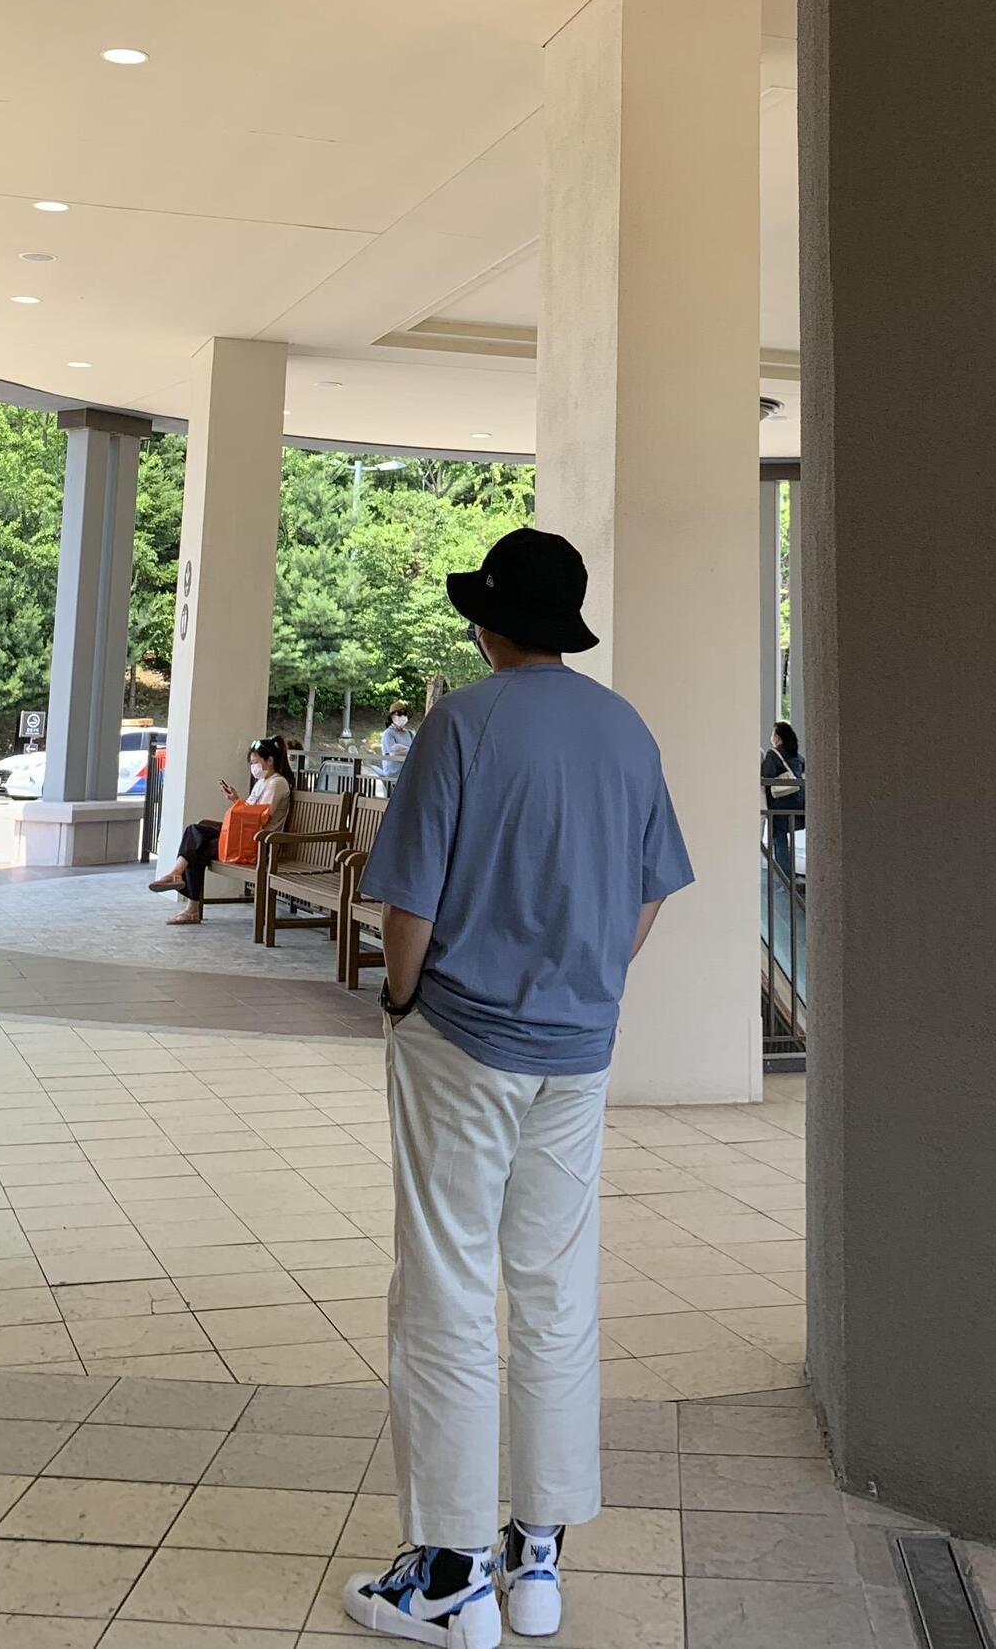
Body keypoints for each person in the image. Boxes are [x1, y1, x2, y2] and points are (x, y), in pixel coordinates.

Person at [341, 527, 693, 1649]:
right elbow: (650, 893)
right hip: (577, 1050)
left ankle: (448, 1571)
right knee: (554, 1288)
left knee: (446, 1286)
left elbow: (408, 903)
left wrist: (401, 999)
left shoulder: (463, 723)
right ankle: (535, 1557)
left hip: (460, 1039)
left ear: (491, 623)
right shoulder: (625, 730)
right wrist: (587, 984)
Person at [149, 737, 294, 925]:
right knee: (195, 830)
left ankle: (189, 903)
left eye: (255, 762)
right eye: (251, 763)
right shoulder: (262, 782)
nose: (253, 767)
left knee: (198, 847)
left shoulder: (277, 783)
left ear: (270, 760)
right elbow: (250, 813)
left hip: (259, 843)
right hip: (246, 836)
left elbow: (261, 817)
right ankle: (177, 875)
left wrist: (238, 804)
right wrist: (236, 800)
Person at [761, 718, 804, 878]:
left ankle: (786, 878)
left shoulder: (773, 755)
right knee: (787, 838)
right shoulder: (796, 756)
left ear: (777, 737)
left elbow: (766, 775)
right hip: (798, 803)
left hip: (780, 807)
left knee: (779, 842)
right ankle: (792, 877)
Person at [378, 700, 416, 790]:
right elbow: (393, 753)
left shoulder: (410, 734)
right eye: (399, 714)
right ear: (392, 717)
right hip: (393, 778)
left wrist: (405, 750)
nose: (402, 716)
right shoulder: (388, 734)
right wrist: (410, 750)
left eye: (405, 713)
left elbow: (417, 749)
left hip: (408, 776)